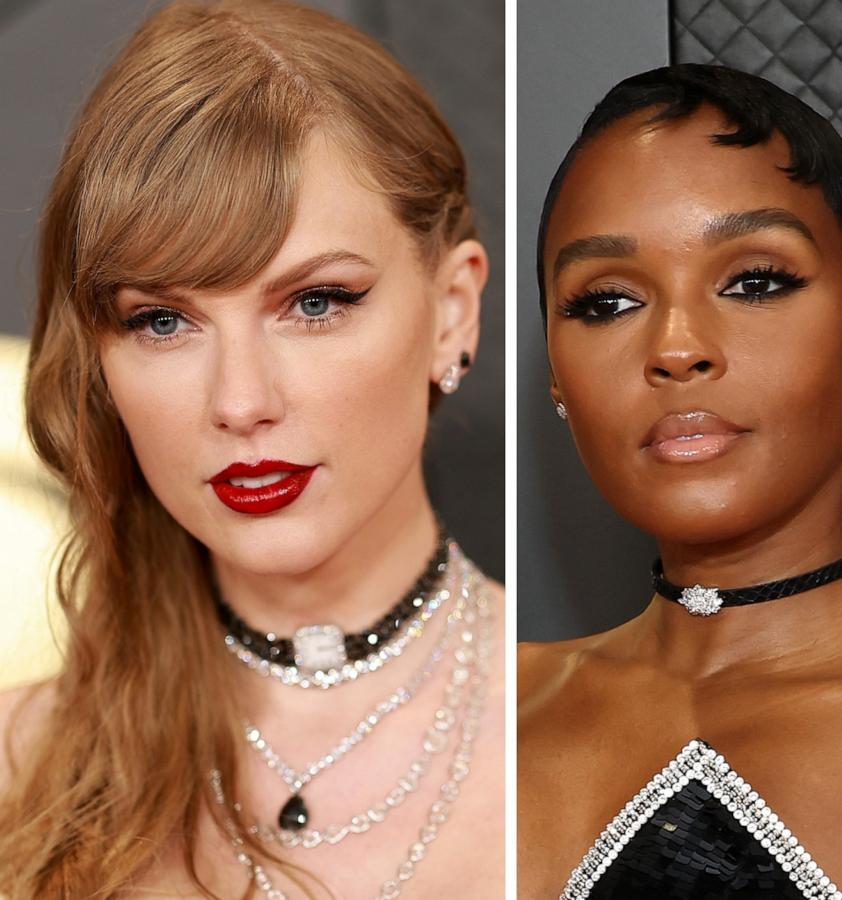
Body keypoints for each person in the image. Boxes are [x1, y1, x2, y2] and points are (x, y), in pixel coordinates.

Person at [0, 3, 504, 896]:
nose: (240, 403)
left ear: (452, 311)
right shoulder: (18, 772)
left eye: (315, 302)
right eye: (162, 321)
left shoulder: (591, 733)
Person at [517, 64, 842, 900]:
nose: (677, 346)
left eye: (755, 281)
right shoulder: (457, 723)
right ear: (554, 372)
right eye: (606, 301)